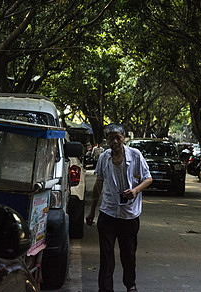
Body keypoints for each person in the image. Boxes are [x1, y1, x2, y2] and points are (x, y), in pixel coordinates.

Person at [86, 123, 152, 292]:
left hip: (129, 215)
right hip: (107, 213)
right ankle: (105, 289)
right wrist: (92, 211)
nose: (115, 141)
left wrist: (136, 191)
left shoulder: (135, 155)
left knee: (128, 254)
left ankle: (130, 284)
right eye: (111, 138)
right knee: (106, 256)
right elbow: (98, 184)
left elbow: (148, 178)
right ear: (106, 139)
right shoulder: (104, 157)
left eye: (118, 137)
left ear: (124, 138)